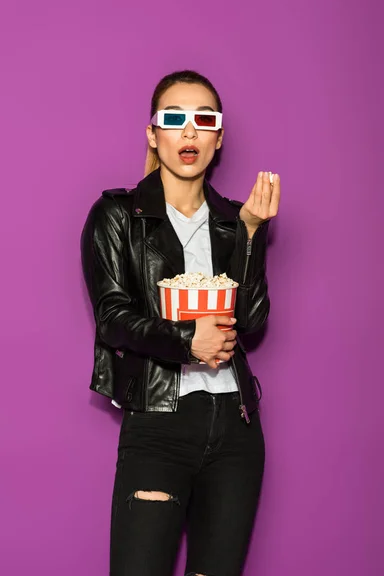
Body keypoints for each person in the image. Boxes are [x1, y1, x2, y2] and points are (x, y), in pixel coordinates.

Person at [81, 70, 281, 576]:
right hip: (159, 425)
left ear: (218, 137)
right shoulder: (117, 216)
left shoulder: (236, 220)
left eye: (203, 120)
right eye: (174, 119)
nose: (189, 132)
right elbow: (112, 318)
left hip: (236, 432)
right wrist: (190, 341)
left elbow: (252, 322)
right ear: (153, 133)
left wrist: (250, 236)